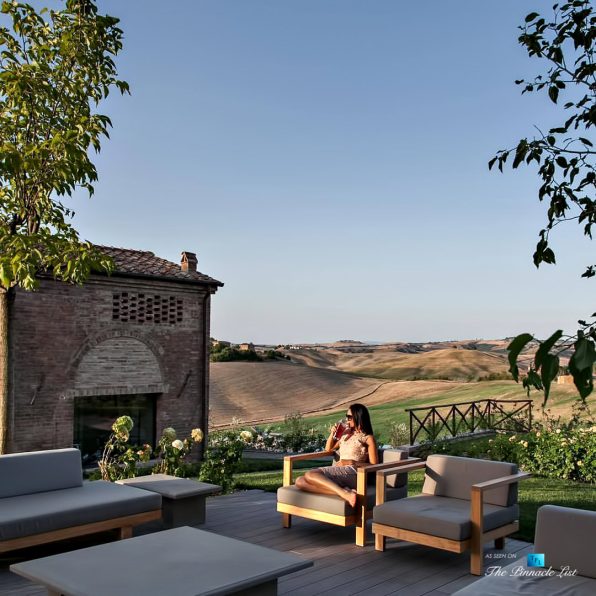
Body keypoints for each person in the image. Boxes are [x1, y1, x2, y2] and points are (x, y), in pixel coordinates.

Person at [295, 403, 377, 508]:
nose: (346, 419)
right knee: (299, 481)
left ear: (358, 417)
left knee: (310, 474)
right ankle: (343, 492)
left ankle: (344, 493)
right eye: (346, 416)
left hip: (354, 473)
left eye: (349, 417)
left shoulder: (367, 438)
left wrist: (351, 462)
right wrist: (332, 434)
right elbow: (328, 449)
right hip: (340, 472)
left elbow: (374, 466)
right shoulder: (346, 434)